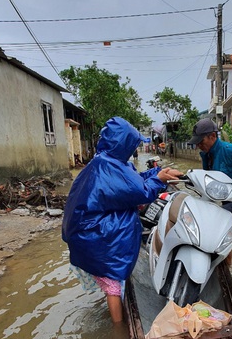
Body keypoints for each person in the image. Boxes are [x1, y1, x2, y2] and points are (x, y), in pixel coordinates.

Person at [63, 117, 182, 323]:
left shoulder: (107, 161)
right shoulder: (107, 166)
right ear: (123, 143)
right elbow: (141, 192)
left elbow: (132, 181)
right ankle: (117, 329)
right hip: (93, 233)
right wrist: (159, 179)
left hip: (86, 229)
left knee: (112, 279)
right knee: (113, 285)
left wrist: (157, 173)